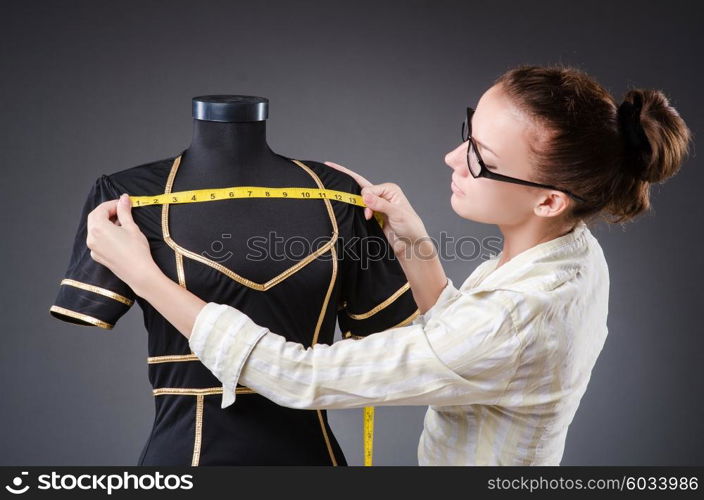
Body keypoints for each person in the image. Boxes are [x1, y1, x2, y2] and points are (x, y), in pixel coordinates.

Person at [84, 64, 692, 465]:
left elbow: (300, 378)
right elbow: (464, 335)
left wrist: (143, 275)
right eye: (467, 131)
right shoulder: (570, 250)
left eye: (479, 156)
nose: (452, 156)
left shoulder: (520, 316)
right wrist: (414, 243)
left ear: (549, 198)